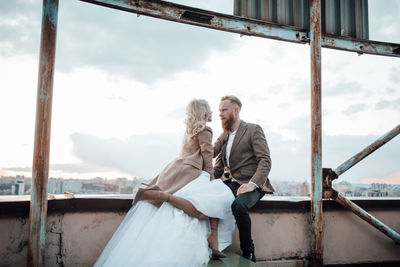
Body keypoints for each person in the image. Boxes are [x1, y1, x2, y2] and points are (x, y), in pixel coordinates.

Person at [94, 99, 235, 267]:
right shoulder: (205, 130)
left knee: (206, 206)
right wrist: (211, 178)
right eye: (210, 109)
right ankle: (165, 198)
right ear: (205, 111)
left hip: (175, 169)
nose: (213, 112)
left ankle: (213, 239)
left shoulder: (190, 129)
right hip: (191, 171)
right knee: (217, 199)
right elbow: (206, 156)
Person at [214, 95, 274, 262]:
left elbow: (265, 160)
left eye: (224, 110)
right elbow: (218, 167)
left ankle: (249, 252)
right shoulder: (224, 136)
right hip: (231, 183)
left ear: (236, 110)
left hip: (253, 184)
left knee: (239, 205)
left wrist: (252, 184)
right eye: (219, 110)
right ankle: (214, 247)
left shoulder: (253, 129)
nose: (220, 113)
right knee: (208, 202)